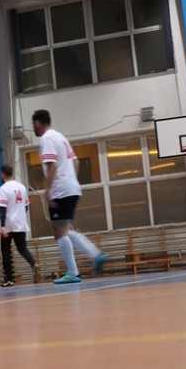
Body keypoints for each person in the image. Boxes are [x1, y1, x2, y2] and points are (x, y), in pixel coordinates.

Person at [31, 109, 107, 284]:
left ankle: (74, 272)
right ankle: (95, 255)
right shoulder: (60, 137)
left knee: (58, 231)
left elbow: (51, 166)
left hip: (60, 189)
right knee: (63, 229)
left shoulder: (47, 139)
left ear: (37, 123)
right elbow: (76, 162)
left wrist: (48, 190)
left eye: (33, 125)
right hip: (71, 187)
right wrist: (70, 179)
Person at [0, 165, 38, 287]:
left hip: (8, 224)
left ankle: (9, 279)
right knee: (22, 248)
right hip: (21, 223)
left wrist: (3, 226)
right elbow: (26, 206)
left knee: (6, 252)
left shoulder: (3, 189)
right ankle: (33, 263)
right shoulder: (22, 187)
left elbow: (2, 209)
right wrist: (20, 216)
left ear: (3, 174)